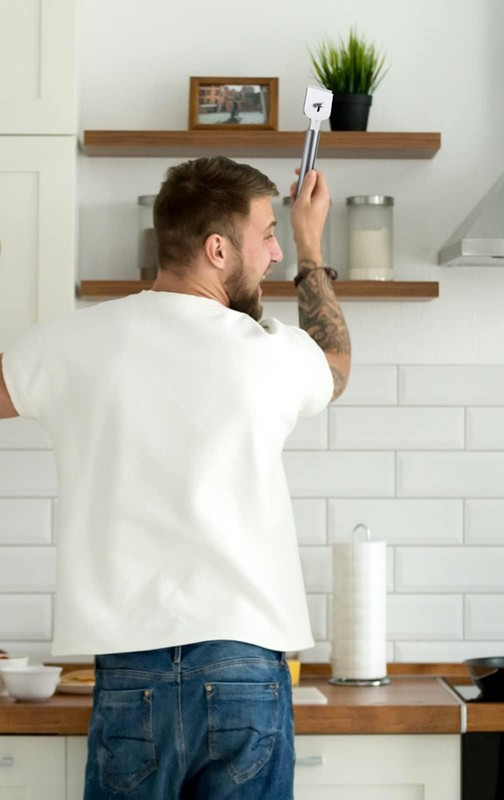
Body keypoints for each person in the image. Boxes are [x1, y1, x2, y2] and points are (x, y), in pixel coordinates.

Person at [0, 155, 350, 799]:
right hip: (245, 669)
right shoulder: (269, 353)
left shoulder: (71, 342)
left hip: (132, 675)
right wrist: (312, 244)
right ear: (218, 249)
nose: (272, 251)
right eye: (267, 233)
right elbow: (335, 363)